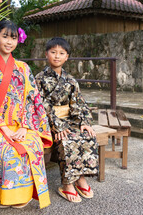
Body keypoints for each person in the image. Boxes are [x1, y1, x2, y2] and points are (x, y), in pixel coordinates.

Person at [0, 20, 53, 209]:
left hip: (20, 124)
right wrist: (3, 128)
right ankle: (1, 196)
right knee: (6, 150)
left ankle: (23, 194)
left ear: (18, 41)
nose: (8, 42)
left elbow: (32, 98)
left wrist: (24, 126)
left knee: (32, 144)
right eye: (4, 36)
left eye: (13, 38)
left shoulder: (23, 68)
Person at [35, 37, 98, 203]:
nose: (57, 56)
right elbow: (39, 105)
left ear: (67, 57)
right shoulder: (39, 78)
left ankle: (80, 178)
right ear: (46, 54)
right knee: (66, 139)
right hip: (48, 122)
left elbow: (79, 103)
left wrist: (84, 122)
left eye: (61, 53)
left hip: (69, 120)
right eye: (53, 52)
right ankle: (67, 184)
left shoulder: (71, 80)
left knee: (87, 135)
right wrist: (57, 126)